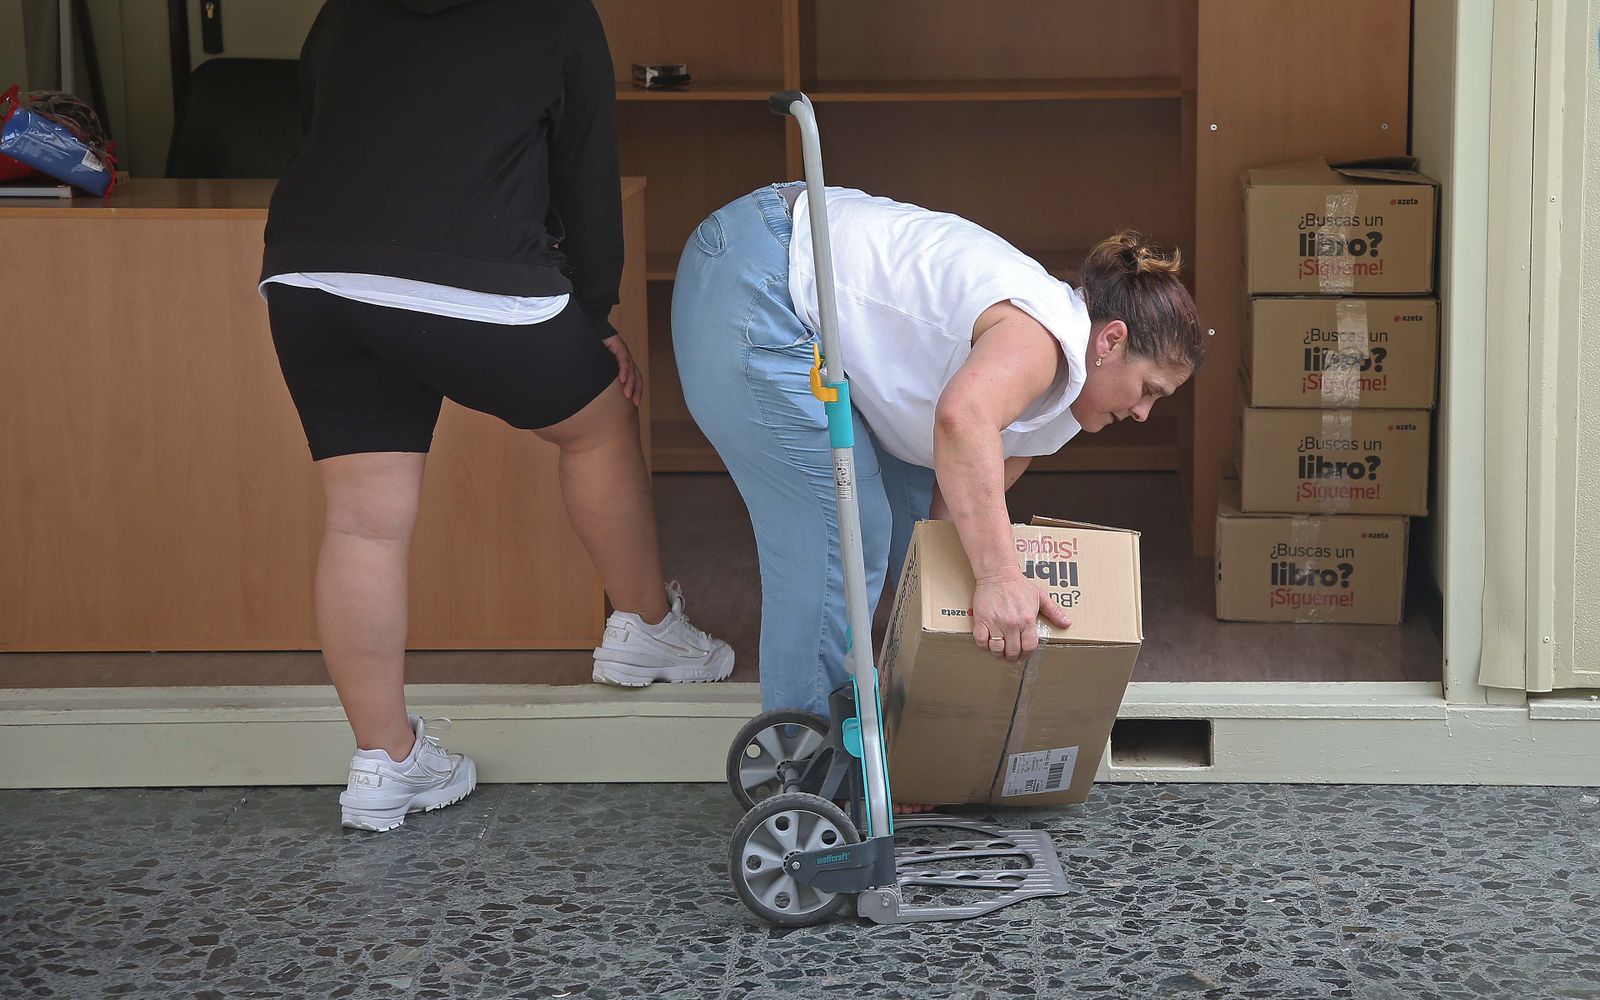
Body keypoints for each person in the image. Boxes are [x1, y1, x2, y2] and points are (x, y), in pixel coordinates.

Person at [259, 0, 731, 832]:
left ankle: (384, 761)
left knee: (365, 522)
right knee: (595, 421)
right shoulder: (554, 14)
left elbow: (317, 119)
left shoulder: (348, 8)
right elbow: (586, 175)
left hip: (311, 275)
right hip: (468, 273)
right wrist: (595, 316)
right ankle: (647, 628)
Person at [673, 183, 1202, 722]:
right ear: (1111, 342)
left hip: (782, 279)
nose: (1144, 414)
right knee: (849, 527)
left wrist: (989, 590)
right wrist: (999, 577)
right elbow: (961, 418)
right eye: (1150, 390)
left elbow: (958, 506)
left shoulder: (1060, 407)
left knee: (922, 551)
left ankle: (906, 749)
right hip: (759, 272)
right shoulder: (1044, 338)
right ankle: (806, 770)